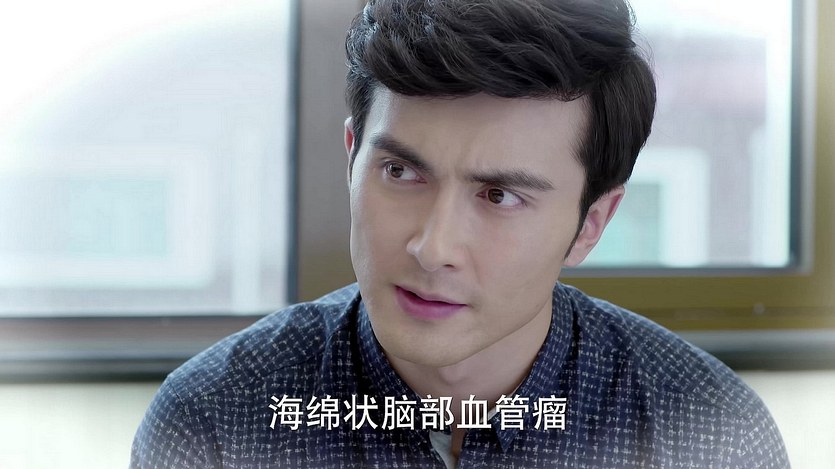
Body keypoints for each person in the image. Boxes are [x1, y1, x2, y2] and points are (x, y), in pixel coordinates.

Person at [131, 0, 790, 467]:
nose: (432, 247)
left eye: (499, 195)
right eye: (400, 171)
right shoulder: (216, 422)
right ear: (352, 155)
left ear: (591, 224)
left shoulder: (708, 436)